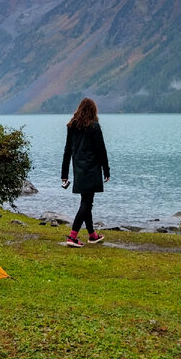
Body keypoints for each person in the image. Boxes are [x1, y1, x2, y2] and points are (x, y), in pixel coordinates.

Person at [60, 96, 110, 247]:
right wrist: (106, 170)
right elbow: (101, 150)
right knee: (87, 202)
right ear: (93, 110)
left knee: (86, 202)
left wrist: (64, 174)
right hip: (92, 168)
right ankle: (72, 236)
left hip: (79, 169)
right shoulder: (94, 127)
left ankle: (92, 235)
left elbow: (67, 151)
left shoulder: (72, 127)